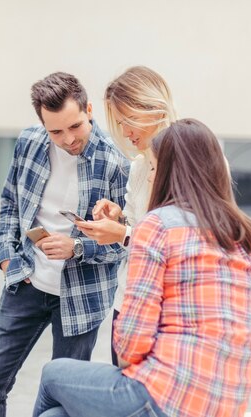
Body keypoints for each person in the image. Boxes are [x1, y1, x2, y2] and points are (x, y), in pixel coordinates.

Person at [33, 119, 251, 417]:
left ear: (171, 172)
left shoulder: (157, 226)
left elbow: (130, 347)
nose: (149, 178)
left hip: (162, 398)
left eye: (152, 168)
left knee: (52, 373)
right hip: (224, 408)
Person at [0, 72, 130, 417]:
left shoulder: (117, 161)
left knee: (61, 402)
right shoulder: (29, 142)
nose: (68, 139)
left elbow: (125, 243)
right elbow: (10, 207)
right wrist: (8, 262)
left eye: (75, 126)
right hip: (26, 284)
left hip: (82, 297)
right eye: (55, 131)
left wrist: (77, 247)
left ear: (89, 109)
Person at [75, 66, 176, 365]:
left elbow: (188, 244)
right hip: (128, 300)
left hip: (169, 308)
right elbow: (136, 230)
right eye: (119, 123)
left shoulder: (195, 158)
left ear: (153, 106)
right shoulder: (138, 166)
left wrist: (123, 234)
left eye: (129, 121)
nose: (125, 132)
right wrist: (120, 221)